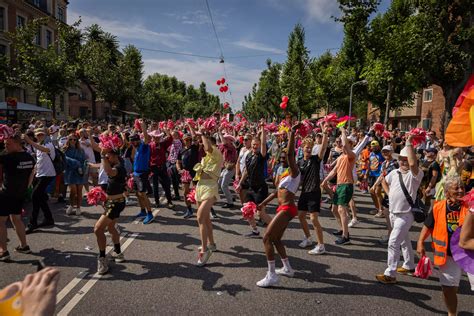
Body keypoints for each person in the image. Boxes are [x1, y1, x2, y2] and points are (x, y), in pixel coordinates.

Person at [417, 176, 473, 315]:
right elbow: (428, 226)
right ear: (447, 192)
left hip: (469, 254)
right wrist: (420, 242)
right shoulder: (438, 206)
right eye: (456, 188)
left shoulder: (471, 206)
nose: (460, 191)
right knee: (448, 289)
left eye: (462, 187)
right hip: (447, 255)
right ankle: (452, 314)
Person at [255, 122, 301, 288]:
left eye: (285, 158)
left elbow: (290, 155)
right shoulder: (284, 175)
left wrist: (292, 134)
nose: (284, 159)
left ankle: (271, 275)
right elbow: (276, 193)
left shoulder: (295, 173)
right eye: (281, 158)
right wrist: (262, 204)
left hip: (288, 209)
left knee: (267, 237)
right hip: (282, 208)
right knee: (276, 240)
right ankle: (287, 268)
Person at [376, 135, 423, 284]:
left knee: (393, 242)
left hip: (406, 214)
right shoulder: (394, 172)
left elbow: (413, 164)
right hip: (393, 212)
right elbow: (384, 181)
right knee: (403, 240)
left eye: (406, 158)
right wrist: (388, 193)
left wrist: (408, 143)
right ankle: (409, 265)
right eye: (401, 158)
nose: (403, 161)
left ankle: (390, 273)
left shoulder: (415, 174)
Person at [0, 133, 35, 261]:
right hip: (20, 193)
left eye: (8, 144)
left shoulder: (8, 158)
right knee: (16, 219)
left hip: (5, 193)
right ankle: (24, 246)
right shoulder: (29, 157)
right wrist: (27, 187)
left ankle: (3, 251)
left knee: (1, 222)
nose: (6, 147)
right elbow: (32, 173)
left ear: (17, 143)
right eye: (4, 144)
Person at [94, 148, 127, 275]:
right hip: (112, 202)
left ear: (113, 156)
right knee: (112, 227)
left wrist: (102, 155)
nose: (106, 160)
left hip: (115, 204)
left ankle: (102, 259)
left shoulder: (119, 167)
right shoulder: (116, 164)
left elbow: (109, 171)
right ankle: (118, 253)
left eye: (108, 157)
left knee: (98, 229)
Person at [192, 129, 223, 266]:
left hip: (210, 187)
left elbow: (208, 146)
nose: (203, 145)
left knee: (200, 218)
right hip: (200, 187)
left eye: (205, 142)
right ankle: (212, 244)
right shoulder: (206, 157)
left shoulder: (216, 152)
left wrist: (203, 133)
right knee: (206, 219)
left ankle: (205, 251)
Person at [297, 124, 329, 254]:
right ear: (302, 148)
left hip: (314, 191)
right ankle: (309, 238)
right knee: (300, 216)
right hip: (305, 192)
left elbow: (323, 148)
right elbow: (297, 178)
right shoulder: (300, 162)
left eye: (310, 147)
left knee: (314, 219)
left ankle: (321, 245)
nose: (309, 149)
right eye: (306, 147)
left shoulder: (316, 159)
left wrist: (325, 133)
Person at [322, 126, 356, 245]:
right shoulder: (341, 157)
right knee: (334, 209)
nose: (343, 145)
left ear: (351, 145)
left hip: (346, 185)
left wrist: (343, 132)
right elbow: (334, 171)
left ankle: (346, 236)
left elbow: (346, 146)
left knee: (341, 209)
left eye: (347, 143)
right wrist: (325, 180)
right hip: (340, 184)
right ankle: (343, 229)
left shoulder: (351, 155)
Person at [236, 123, 270, 237]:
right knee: (247, 210)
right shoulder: (249, 155)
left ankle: (275, 229)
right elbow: (246, 171)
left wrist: (263, 129)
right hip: (251, 187)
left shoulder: (261, 155)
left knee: (261, 212)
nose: (255, 146)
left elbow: (264, 144)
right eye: (254, 144)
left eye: (257, 145)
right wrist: (240, 184)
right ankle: (255, 230)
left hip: (260, 188)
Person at [23, 129, 57, 234]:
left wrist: (30, 141)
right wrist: (30, 180)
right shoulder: (38, 145)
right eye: (38, 134)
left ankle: (32, 223)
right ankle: (48, 218)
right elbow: (38, 164)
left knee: (35, 196)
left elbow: (45, 149)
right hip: (40, 175)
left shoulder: (49, 143)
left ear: (45, 134)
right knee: (40, 197)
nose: (40, 136)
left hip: (48, 175)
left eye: (41, 134)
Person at [131, 120, 155, 225]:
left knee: (143, 194)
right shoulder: (136, 149)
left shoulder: (144, 147)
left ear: (137, 140)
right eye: (132, 141)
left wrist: (143, 126)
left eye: (134, 140)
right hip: (136, 173)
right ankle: (142, 211)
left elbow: (146, 138)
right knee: (137, 194)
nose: (133, 142)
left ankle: (150, 214)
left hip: (142, 174)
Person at [63, 132, 87, 215]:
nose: (73, 141)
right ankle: (71, 205)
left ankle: (78, 207)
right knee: (73, 190)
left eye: (74, 139)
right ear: (68, 140)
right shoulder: (65, 149)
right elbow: (64, 160)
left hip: (80, 171)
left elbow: (84, 161)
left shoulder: (81, 150)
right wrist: (76, 162)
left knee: (79, 190)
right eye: (71, 139)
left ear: (77, 140)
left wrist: (82, 168)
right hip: (70, 172)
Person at [149, 129, 174, 208]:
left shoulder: (163, 144)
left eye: (158, 137)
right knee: (155, 186)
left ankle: (169, 201)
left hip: (162, 167)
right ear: (153, 137)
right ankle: (157, 202)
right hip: (153, 168)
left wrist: (166, 130)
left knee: (166, 185)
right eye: (155, 137)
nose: (157, 138)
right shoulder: (150, 145)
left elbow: (170, 139)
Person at [177, 133, 199, 218]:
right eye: (186, 140)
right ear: (183, 140)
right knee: (186, 192)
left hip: (195, 172)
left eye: (190, 140)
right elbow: (178, 162)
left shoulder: (194, 147)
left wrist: (190, 125)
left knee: (198, 192)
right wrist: (179, 169)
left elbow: (196, 138)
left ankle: (203, 210)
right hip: (185, 173)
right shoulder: (181, 150)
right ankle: (189, 210)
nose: (188, 141)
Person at [217, 132, 238, 209]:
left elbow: (223, 143)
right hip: (225, 168)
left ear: (229, 140)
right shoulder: (224, 147)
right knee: (219, 184)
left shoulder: (231, 147)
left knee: (223, 186)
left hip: (230, 168)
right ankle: (231, 197)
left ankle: (230, 202)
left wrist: (219, 133)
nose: (224, 140)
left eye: (226, 139)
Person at [367, 140, 385, 217]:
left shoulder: (382, 154)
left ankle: (382, 210)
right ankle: (377, 208)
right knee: (371, 192)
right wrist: (366, 173)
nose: (374, 148)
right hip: (371, 175)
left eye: (375, 147)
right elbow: (369, 163)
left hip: (379, 175)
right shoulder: (371, 154)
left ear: (379, 147)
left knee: (377, 192)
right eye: (372, 147)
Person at [235, 134, 252, 205]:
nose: (244, 141)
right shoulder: (242, 149)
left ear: (251, 141)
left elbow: (248, 167)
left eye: (246, 139)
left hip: (247, 175)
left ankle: (248, 211)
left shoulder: (251, 150)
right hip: (240, 174)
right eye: (243, 139)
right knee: (240, 193)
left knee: (245, 195)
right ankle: (244, 209)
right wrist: (236, 174)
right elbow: (238, 162)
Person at [167, 131, 183, 200]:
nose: (172, 137)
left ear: (178, 136)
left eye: (174, 135)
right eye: (172, 135)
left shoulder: (178, 142)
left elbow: (170, 140)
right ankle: (176, 194)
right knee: (173, 179)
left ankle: (178, 194)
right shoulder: (173, 144)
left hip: (176, 162)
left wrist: (166, 130)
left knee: (175, 179)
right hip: (171, 162)